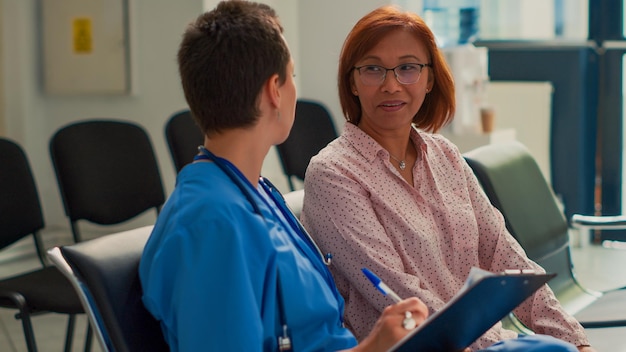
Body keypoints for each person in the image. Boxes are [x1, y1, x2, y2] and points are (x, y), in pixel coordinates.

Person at [300, 5, 596, 352]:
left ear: (429, 79)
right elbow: (398, 296)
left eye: (408, 68)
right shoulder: (333, 173)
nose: (391, 85)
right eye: (373, 69)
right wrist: (495, 344)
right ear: (352, 81)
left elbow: (506, 257)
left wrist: (576, 342)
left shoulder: (446, 157)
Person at [138, 1, 429, 351]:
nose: (294, 88)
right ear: (274, 90)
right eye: (292, 76)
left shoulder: (250, 191)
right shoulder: (211, 224)